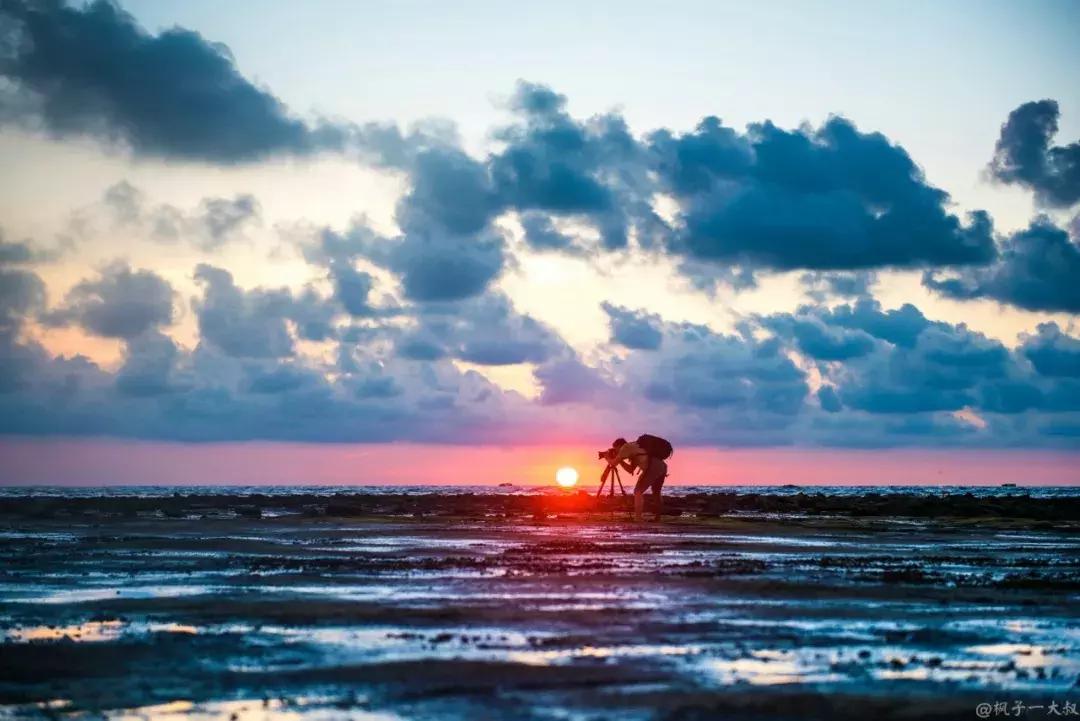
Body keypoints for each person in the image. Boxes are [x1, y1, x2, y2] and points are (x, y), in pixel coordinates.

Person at [607, 437, 667, 522]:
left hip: (652, 467)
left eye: (616, 449)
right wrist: (620, 461)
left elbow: (613, 463)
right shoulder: (635, 448)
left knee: (637, 491)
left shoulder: (625, 447)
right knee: (656, 492)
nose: (616, 451)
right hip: (662, 466)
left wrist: (607, 457)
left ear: (619, 445)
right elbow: (630, 470)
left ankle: (638, 518)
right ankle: (658, 518)